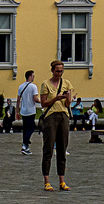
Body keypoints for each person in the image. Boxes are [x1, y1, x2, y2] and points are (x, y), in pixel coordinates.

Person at [39, 60, 72, 191]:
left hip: (63, 116)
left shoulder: (67, 83)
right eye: (57, 71)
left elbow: (68, 105)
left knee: (62, 148)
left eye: (61, 71)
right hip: (50, 117)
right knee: (48, 149)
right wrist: (55, 99)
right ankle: (46, 181)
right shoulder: (45, 84)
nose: (59, 73)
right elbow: (43, 103)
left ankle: (62, 181)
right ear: (52, 70)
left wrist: (68, 98)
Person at [17, 70, 39, 155]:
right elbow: (35, 99)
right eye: (33, 76)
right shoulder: (33, 87)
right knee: (31, 128)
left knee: (25, 129)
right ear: (30, 76)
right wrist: (43, 101)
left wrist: (17, 112)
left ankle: (25, 145)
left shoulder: (21, 86)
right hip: (31, 110)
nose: (34, 77)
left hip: (23, 110)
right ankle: (25, 144)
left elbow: (18, 99)